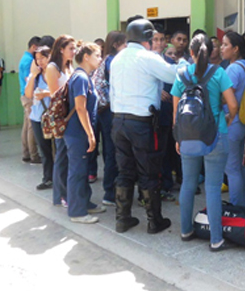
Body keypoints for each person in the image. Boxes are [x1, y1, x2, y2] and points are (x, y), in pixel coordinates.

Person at [110, 18, 179, 234]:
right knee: (149, 172)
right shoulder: (146, 57)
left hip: (118, 121)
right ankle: (154, 221)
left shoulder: (117, 58)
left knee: (125, 171)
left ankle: (123, 219)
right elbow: (173, 75)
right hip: (141, 123)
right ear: (147, 38)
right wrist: (185, 64)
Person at [172, 34, 238, 251]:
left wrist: (178, 138)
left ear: (191, 53)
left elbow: (175, 112)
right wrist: (226, 119)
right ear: (211, 52)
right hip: (215, 135)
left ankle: (185, 230)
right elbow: (233, 104)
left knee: (188, 183)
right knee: (212, 187)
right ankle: (216, 239)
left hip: (187, 136)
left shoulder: (181, 74)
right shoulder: (218, 73)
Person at [65, 42, 107, 223]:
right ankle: (77, 212)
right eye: (97, 55)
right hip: (77, 133)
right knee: (77, 171)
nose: (100, 59)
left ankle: (85, 202)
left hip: (80, 132)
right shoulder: (81, 78)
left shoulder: (84, 76)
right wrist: (90, 134)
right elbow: (80, 108)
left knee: (82, 169)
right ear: (86, 57)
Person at [90, 30, 126, 206]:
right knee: (113, 150)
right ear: (115, 44)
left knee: (110, 150)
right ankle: (111, 192)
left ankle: (110, 189)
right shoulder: (113, 61)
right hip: (111, 110)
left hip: (105, 110)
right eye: (124, 43)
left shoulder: (105, 60)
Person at [221, 32, 245, 207]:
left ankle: (236, 208)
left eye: (225, 45)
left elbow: (227, 96)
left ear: (235, 49)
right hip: (243, 122)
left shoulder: (233, 69)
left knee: (232, 168)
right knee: (239, 167)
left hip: (232, 121)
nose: (221, 48)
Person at [46, 35, 76, 208]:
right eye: (70, 48)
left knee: (66, 155)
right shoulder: (53, 67)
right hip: (61, 117)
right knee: (62, 156)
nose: (74, 51)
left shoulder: (69, 66)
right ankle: (61, 195)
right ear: (61, 49)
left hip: (71, 115)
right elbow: (55, 95)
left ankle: (63, 193)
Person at [151, 27, 176, 201]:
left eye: (162, 39)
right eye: (155, 39)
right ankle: (154, 187)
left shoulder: (169, 62)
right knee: (153, 152)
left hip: (167, 112)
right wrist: (156, 91)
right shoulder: (144, 61)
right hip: (150, 114)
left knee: (166, 150)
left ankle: (167, 184)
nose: (159, 43)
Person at [25, 46, 54, 191]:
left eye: (43, 58)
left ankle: (59, 177)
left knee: (58, 149)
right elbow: (29, 94)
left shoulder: (54, 73)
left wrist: (46, 94)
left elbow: (61, 92)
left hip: (54, 116)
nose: (40, 62)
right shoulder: (35, 75)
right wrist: (33, 76)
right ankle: (48, 178)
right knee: (44, 149)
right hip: (38, 117)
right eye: (37, 59)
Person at [19, 36, 42, 164]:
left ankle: (26, 153)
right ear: (34, 47)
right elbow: (30, 79)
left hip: (25, 95)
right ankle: (33, 154)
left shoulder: (25, 58)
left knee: (27, 125)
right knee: (32, 126)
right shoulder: (29, 61)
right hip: (29, 95)